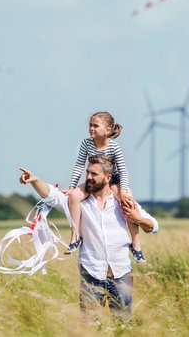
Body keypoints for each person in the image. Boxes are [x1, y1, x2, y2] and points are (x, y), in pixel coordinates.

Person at [19, 154, 159, 317]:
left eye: (94, 174)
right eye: (87, 173)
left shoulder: (122, 201)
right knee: (89, 326)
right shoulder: (77, 203)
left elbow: (153, 226)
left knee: (123, 325)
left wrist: (138, 219)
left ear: (108, 177)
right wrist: (35, 180)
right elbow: (52, 196)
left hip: (121, 274)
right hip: (91, 273)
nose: (88, 177)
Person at [63, 111, 146, 263]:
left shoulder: (114, 147)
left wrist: (123, 191)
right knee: (74, 196)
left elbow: (123, 171)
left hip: (113, 180)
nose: (91, 128)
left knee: (128, 201)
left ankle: (136, 244)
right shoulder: (86, 143)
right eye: (90, 125)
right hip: (94, 180)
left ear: (107, 130)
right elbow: (79, 166)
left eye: (95, 126)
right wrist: (72, 187)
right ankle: (75, 236)